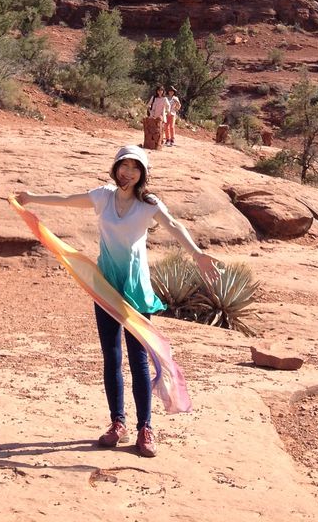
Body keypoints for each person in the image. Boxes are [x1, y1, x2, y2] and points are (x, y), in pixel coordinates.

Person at [15, 145, 218, 458]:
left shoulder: (148, 204)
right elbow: (68, 200)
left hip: (135, 289)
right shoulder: (103, 196)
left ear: (143, 174)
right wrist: (32, 198)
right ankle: (117, 423)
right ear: (116, 167)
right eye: (125, 165)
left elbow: (174, 225)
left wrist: (197, 254)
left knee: (138, 359)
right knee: (111, 356)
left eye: (136, 168)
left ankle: (145, 428)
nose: (129, 172)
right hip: (106, 285)